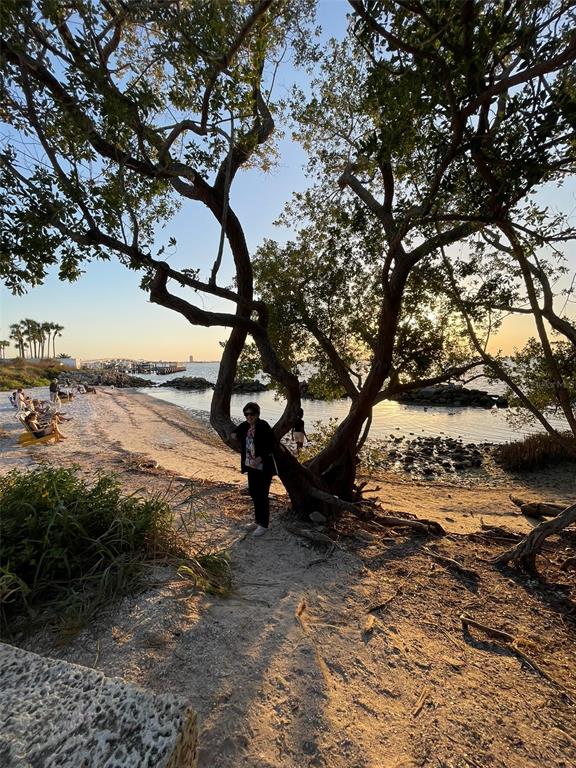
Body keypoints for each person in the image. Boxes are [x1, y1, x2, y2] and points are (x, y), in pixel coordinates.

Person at [231, 402, 277, 537]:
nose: (249, 416)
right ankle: (257, 521)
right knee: (253, 492)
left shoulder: (263, 426)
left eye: (252, 414)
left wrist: (261, 457)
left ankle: (264, 524)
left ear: (257, 414)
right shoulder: (245, 426)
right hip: (251, 466)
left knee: (262, 494)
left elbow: (271, 443)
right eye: (247, 414)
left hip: (263, 467)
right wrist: (235, 435)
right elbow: (235, 432)